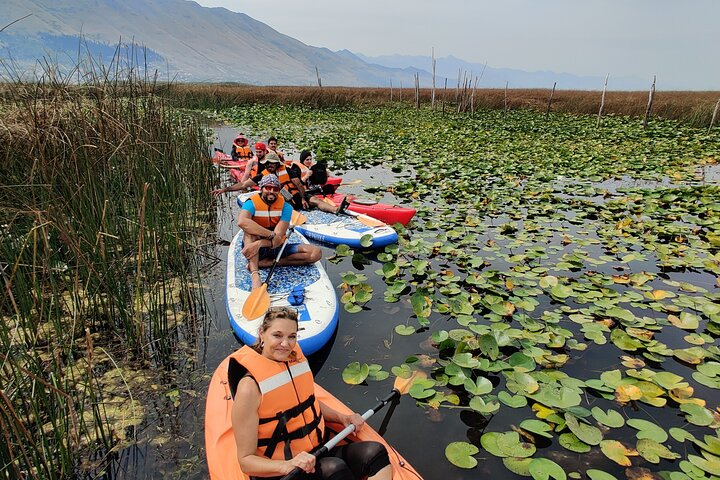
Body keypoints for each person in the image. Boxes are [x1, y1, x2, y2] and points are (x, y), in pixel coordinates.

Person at [229, 307, 393, 479]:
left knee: (375, 453)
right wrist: (289, 465)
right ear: (262, 333)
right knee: (335, 470)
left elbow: (308, 403)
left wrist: (342, 418)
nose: (285, 344)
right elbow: (246, 461)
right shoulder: (249, 388)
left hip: (316, 449)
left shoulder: (295, 360)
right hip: (283, 469)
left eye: (292, 336)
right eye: (277, 335)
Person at [237, 174, 322, 289]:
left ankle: (268, 263)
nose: (271, 191)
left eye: (275, 189)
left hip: (275, 246)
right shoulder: (251, 203)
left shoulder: (286, 207)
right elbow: (242, 222)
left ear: (279, 190)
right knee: (249, 233)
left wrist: (260, 243)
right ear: (261, 188)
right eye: (268, 188)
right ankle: (255, 273)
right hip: (255, 249)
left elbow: (277, 239)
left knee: (315, 253)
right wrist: (267, 235)